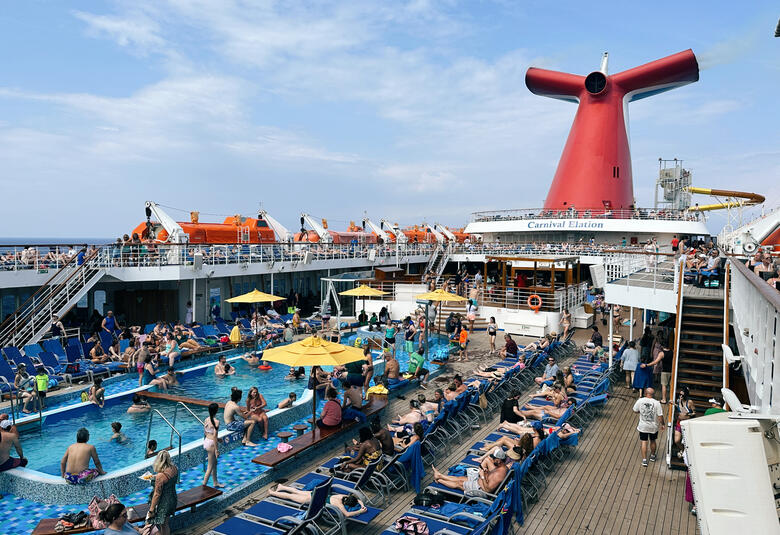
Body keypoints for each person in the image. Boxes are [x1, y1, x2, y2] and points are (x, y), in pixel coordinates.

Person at [432, 449, 509, 497]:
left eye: (494, 458)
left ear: (499, 460)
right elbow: (491, 479)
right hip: (480, 482)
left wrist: (482, 476)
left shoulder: (499, 474)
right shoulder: (502, 467)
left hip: (480, 490)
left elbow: (488, 490)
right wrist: (486, 473)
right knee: (461, 478)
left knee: (459, 483)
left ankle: (439, 480)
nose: (492, 459)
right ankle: (439, 475)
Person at [268, 484, 367, 517]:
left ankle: (281, 486)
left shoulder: (342, 496)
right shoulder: (340, 504)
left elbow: (357, 499)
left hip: (314, 494)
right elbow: (347, 514)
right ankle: (272, 493)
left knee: (296, 491)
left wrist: (361, 504)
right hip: (309, 499)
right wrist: (360, 510)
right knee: (290, 496)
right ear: (347, 504)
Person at [144, 450, 178, 535]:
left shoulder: (160, 476)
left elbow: (157, 494)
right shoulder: (174, 468)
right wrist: (154, 477)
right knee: (165, 524)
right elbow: (168, 480)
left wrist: (151, 510)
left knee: (162, 524)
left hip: (164, 503)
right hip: (172, 498)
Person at [633, 387, 664, 467]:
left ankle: (644, 460)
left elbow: (635, 410)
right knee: (653, 440)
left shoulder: (640, 401)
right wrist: (663, 424)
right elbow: (660, 416)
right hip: (653, 427)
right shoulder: (657, 403)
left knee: (644, 442)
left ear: (645, 393)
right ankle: (653, 456)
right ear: (653, 395)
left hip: (643, 426)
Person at [203, 403, 224, 488]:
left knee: (214, 463)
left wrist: (218, 439)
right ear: (216, 411)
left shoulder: (206, 419)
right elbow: (214, 436)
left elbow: (206, 432)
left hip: (206, 441)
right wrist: (216, 450)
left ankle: (215, 482)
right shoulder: (216, 422)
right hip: (211, 443)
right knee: (210, 466)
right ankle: (203, 486)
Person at [633, 328, 657, 394]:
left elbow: (641, 345)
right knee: (648, 363)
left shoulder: (644, 337)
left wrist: (641, 353)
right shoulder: (652, 337)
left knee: (643, 362)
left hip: (644, 350)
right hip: (649, 350)